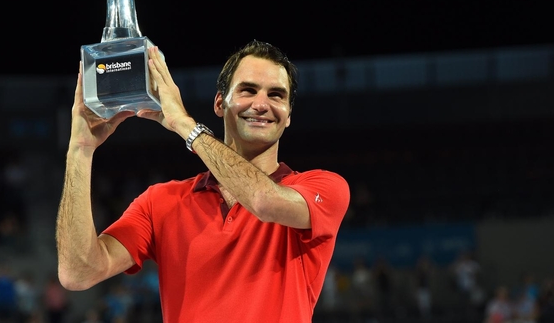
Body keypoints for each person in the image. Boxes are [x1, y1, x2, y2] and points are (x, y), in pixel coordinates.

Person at [56, 40, 351, 322]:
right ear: (220, 103)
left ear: (288, 116)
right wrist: (80, 150)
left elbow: (263, 201)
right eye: (248, 90)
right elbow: (78, 273)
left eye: (276, 95)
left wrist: (184, 124)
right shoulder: (160, 202)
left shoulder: (324, 188)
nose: (261, 104)